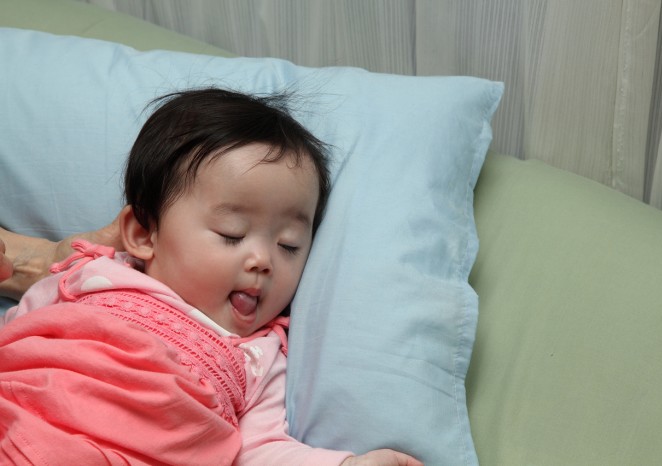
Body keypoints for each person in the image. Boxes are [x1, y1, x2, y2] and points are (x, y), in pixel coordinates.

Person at [0, 88, 421, 466]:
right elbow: (17, 340)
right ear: (144, 234)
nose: (263, 260)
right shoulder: (90, 274)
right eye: (231, 234)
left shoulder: (259, 357)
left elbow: (263, 451)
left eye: (289, 245)